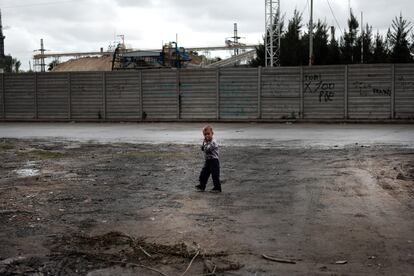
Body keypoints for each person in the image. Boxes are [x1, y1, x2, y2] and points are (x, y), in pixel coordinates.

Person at [195, 125, 222, 193]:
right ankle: (202, 186)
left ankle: (217, 188)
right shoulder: (205, 141)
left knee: (215, 175)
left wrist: (205, 144)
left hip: (214, 161)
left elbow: (207, 149)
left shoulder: (213, 142)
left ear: (212, 133)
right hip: (208, 161)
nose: (207, 135)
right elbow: (202, 148)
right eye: (205, 134)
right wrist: (204, 144)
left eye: (208, 134)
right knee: (203, 174)